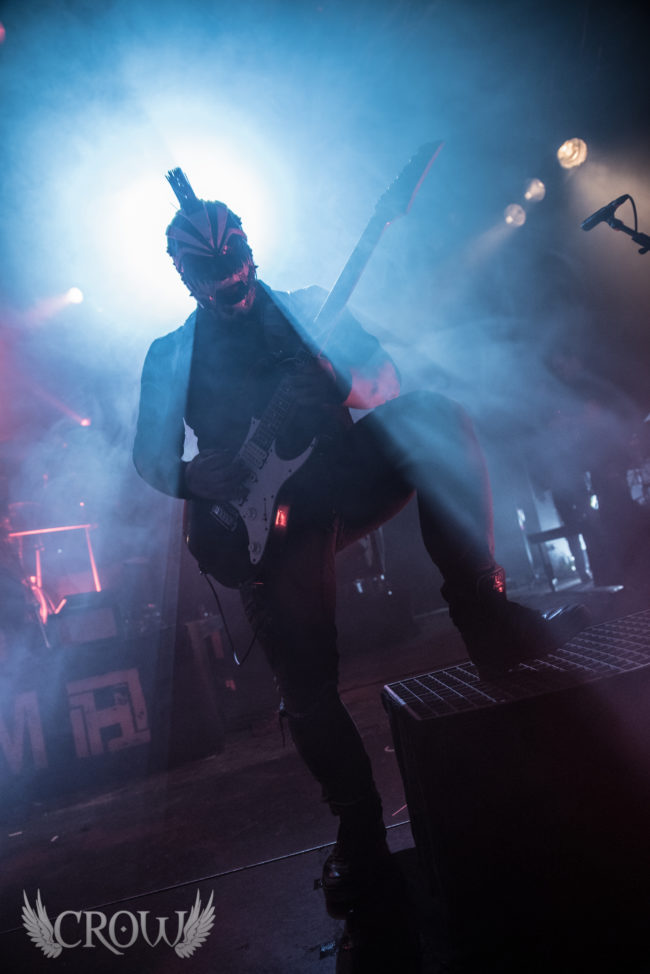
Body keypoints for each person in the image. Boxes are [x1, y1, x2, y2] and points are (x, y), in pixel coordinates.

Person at [133, 174, 589, 916]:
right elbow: (148, 459)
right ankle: (359, 828)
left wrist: (335, 375)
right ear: (183, 274)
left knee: (435, 415)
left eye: (236, 259)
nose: (230, 279)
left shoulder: (308, 307)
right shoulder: (170, 355)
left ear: (249, 247)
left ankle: (486, 618)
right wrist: (191, 476)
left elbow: (385, 382)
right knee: (307, 681)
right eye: (209, 270)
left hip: (336, 480)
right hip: (256, 520)